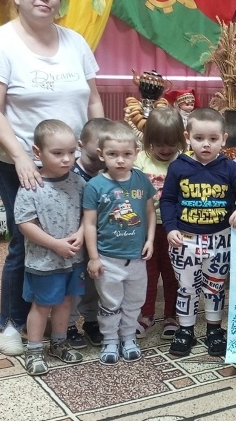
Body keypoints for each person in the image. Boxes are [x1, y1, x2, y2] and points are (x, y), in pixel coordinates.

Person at [0, 0, 103, 356]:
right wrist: (20, 157)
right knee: (25, 239)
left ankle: (65, 317)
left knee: (76, 233)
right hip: (20, 162)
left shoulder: (75, 42)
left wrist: (95, 145)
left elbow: (93, 100)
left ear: (60, 0)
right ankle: (12, 321)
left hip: (72, 161)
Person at [160, 108, 236, 358]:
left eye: (213, 139)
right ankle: (185, 329)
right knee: (186, 287)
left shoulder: (229, 168)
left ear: (223, 139)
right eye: (199, 138)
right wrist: (170, 227)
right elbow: (167, 200)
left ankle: (214, 329)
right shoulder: (178, 167)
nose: (206, 144)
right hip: (185, 239)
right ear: (187, 138)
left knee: (215, 287)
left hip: (220, 239)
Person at [14, 120, 86, 375]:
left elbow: (88, 215)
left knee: (66, 302)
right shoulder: (31, 185)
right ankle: (34, 349)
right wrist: (55, 244)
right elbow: (25, 223)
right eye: (57, 153)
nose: (66, 159)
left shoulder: (78, 182)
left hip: (73, 259)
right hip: (44, 261)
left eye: (71, 152)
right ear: (37, 152)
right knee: (42, 305)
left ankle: (59, 342)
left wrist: (81, 233)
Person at [82, 122, 156, 365]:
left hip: (136, 257)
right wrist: (94, 257)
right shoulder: (95, 186)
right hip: (108, 258)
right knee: (110, 302)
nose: (120, 160)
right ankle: (110, 339)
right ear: (101, 154)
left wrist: (150, 240)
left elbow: (150, 211)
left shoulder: (141, 179)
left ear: (136, 153)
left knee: (134, 301)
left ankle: (128, 336)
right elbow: (89, 223)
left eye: (126, 154)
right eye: (113, 154)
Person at [134, 108, 185, 341]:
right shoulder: (139, 161)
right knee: (148, 273)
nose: (165, 149)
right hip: (147, 229)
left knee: (173, 274)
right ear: (148, 141)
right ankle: (146, 315)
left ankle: (171, 316)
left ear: (181, 140)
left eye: (171, 143)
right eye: (159, 144)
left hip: (175, 228)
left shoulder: (184, 162)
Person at [66, 117, 112, 349]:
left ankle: (91, 321)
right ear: (80, 145)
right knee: (74, 284)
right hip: (73, 241)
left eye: (103, 158)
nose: (98, 165)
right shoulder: (70, 175)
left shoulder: (109, 174)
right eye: (93, 158)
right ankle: (68, 324)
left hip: (99, 241)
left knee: (95, 283)